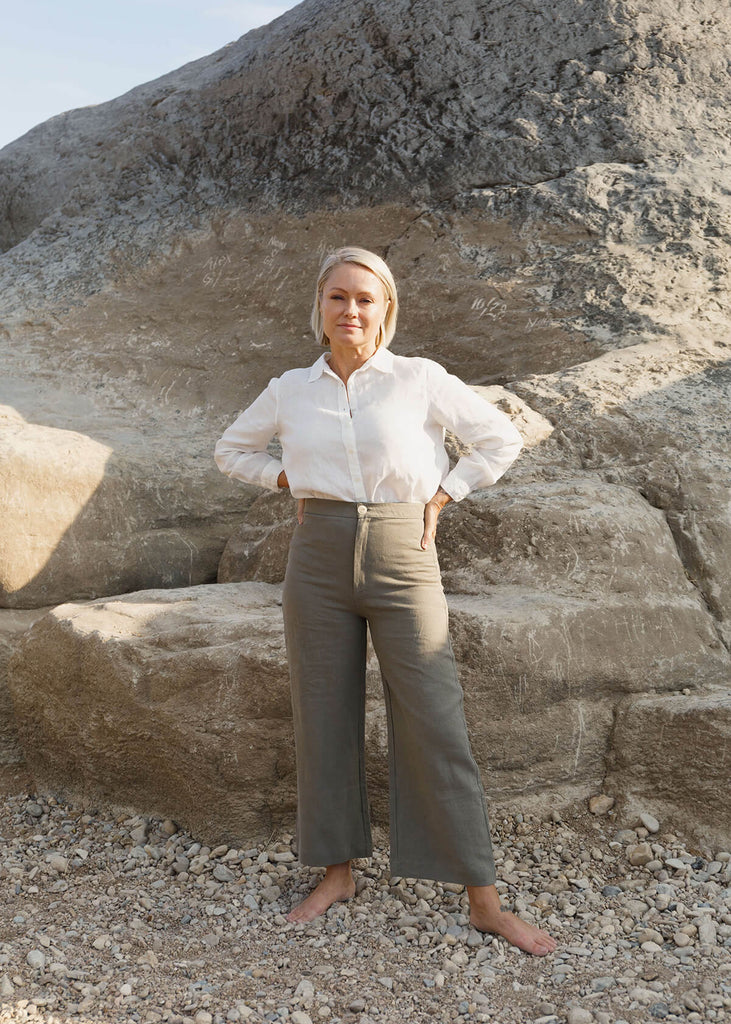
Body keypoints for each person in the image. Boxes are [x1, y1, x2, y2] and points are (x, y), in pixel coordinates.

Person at [214, 246, 557, 956]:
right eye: (338, 297)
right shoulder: (290, 388)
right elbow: (230, 450)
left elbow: (498, 437)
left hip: (405, 549)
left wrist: (443, 494)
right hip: (318, 554)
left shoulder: (418, 379)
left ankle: (483, 900)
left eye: (365, 299)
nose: (351, 311)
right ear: (320, 307)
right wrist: (289, 481)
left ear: (386, 308)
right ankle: (336, 874)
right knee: (323, 712)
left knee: (436, 717)